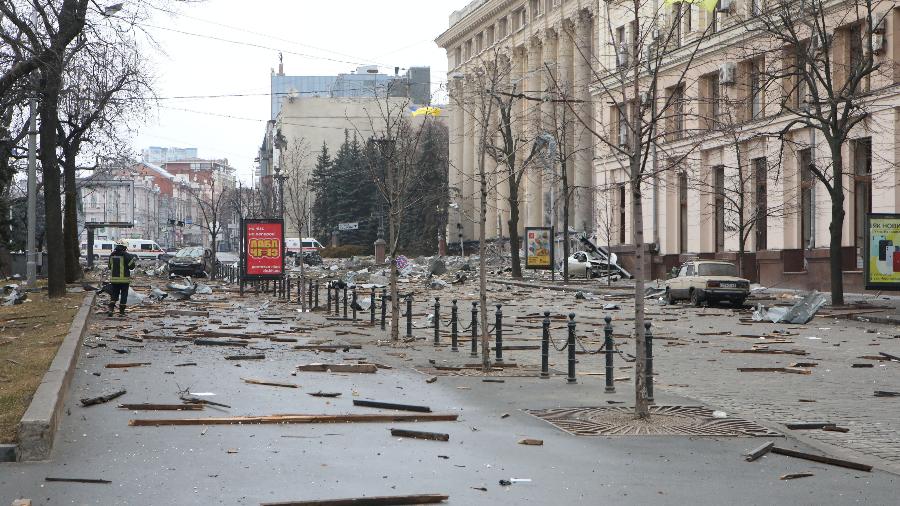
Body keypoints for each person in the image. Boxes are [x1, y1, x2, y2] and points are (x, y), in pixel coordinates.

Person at [108, 240, 137, 316]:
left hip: (114, 279)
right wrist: (132, 260)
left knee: (114, 294)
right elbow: (131, 267)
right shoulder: (126, 255)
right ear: (124, 247)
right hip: (124, 280)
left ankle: (111, 310)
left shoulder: (112, 254)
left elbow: (109, 266)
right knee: (124, 295)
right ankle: (121, 312)